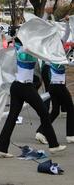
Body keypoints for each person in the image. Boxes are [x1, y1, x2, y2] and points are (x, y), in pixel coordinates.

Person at [0, 38, 66, 158]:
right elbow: (47, 57)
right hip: (25, 87)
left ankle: (1, 148)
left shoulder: (19, 49)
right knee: (43, 113)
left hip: (17, 86)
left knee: (12, 118)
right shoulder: (27, 51)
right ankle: (54, 145)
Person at [35, 15, 73, 144]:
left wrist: (67, 23)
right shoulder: (52, 52)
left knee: (56, 111)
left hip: (54, 84)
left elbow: (66, 35)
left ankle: (40, 132)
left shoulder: (54, 48)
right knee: (71, 108)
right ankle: (70, 135)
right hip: (57, 84)